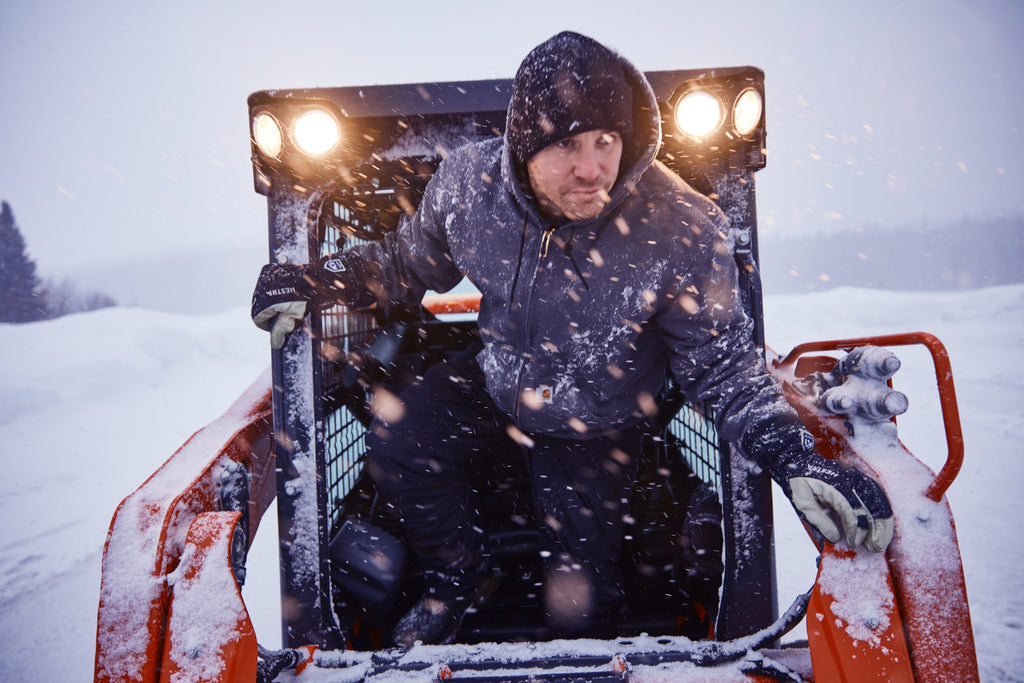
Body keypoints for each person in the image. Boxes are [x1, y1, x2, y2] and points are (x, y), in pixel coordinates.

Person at [251, 31, 894, 647]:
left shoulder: (680, 229)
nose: (593, 169)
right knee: (399, 445)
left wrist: (796, 456)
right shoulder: (470, 191)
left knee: (580, 603)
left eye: (606, 141)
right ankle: (459, 577)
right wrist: (315, 278)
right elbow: (405, 264)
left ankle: (593, 638)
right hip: (497, 378)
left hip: (600, 412)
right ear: (523, 151)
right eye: (566, 147)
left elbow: (724, 366)